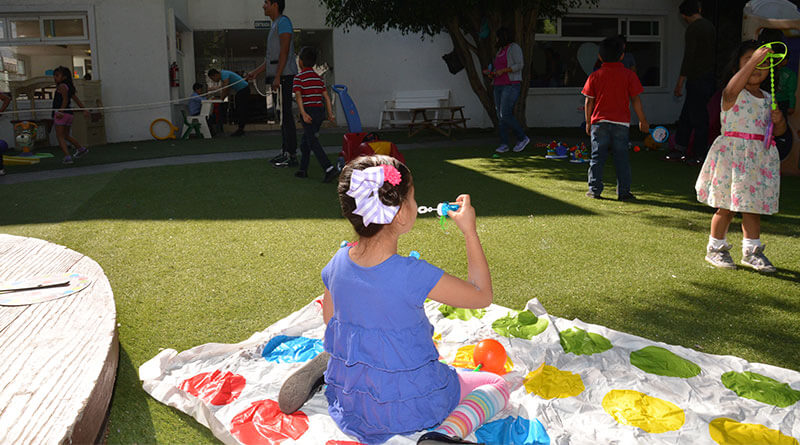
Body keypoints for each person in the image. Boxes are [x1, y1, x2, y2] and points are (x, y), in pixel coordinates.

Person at [281, 156, 509, 445]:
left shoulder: (337, 261)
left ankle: (333, 364)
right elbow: (482, 295)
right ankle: (443, 435)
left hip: (353, 401)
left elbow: (331, 321)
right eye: (413, 198)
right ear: (401, 214)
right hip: (413, 406)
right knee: (496, 385)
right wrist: (469, 231)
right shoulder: (412, 274)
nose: (416, 204)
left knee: (352, 338)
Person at [695, 41, 783, 273]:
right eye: (751, 61)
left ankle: (752, 252)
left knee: (752, 207)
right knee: (726, 206)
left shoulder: (767, 97)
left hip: (757, 160)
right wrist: (755, 59)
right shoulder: (732, 93)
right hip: (732, 159)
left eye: (764, 63)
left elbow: (780, 133)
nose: (757, 67)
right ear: (738, 67)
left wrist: (779, 121)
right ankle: (716, 248)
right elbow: (730, 90)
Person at [582, 37, 649, 201]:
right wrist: (642, 120)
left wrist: (589, 121)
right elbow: (636, 100)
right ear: (622, 56)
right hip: (621, 123)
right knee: (622, 159)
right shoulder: (629, 75)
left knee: (597, 157)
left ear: (599, 56)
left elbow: (588, 101)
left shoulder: (595, 76)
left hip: (599, 122)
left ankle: (594, 190)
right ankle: (624, 192)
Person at [246, 0, 299, 167]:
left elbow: (284, 51)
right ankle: (285, 152)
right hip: (280, 75)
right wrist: (255, 72)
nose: (263, 6)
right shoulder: (276, 24)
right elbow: (271, 58)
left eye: (266, 3)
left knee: (286, 116)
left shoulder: (284, 22)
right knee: (282, 116)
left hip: (285, 76)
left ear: (275, 5)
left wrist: (278, 76)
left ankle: (291, 155)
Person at [666, 0, 716, 165]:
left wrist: (680, 82)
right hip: (708, 77)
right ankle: (680, 147)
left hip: (697, 78)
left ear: (684, 15)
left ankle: (698, 154)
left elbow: (689, 57)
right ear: (699, 9)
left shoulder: (693, 29)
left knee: (698, 117)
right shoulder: (709, 26)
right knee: (688, 114)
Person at [293, 47, 338, 182]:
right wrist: (330, 115)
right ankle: (303, 170)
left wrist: (303, 114)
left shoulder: (299, 78)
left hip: (309, 111)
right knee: (306, 142)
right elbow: (327, 97)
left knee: (312, 141)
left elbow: (299, 97)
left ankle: (329, 168)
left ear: (300, 62)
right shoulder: (318, 78)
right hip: (319, 111)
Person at [485, 27, 529, 154]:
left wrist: (503, 71)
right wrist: (492, 73)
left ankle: (522, 138)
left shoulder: (514, 48)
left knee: (505, 114)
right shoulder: (500, 50)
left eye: (498, 36)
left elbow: (520, 65)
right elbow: (497, 67)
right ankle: (504, 144)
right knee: (500, 116)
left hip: (511, 85)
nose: (496, 39)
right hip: (498, 85)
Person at [52, 66, 90, 165]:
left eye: (57, 75)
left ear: (64, 77)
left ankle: (67, 157)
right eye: (54, 76)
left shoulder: (62, 86)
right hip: (69, 115)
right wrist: (84, 109)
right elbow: (76, 99)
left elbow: (65, 100)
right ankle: (81, 149)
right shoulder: (69, 87)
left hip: (62, 114)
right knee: (66, 135)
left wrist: (60, 111)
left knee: (60, 136)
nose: (55, 78)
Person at [207, 69, 249, 137]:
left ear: (215, 75)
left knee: (241, 109)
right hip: (241, 91)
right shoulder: (224, 75)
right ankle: (240, 129)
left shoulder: (224, 75)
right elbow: (225, 88)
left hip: (243, 90)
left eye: (212, 78)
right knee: (239, 109)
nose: (213, 80)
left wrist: (221, 99)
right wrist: (220, 97)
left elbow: (225, 88)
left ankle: (240, 130)